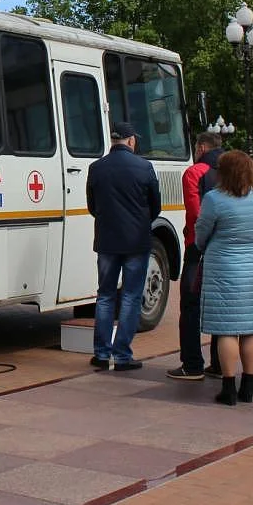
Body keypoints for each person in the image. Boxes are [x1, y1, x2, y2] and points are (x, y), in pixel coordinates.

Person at [195, 149, 253, 404]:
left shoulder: (214, 198)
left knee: (226, 329)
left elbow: (202, 233)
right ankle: (248, 384)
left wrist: (204, 245)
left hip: (223, 269)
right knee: (251, 328)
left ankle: (228, 387)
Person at [86, 120, 162, 371]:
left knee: (105, 295)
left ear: (113, 140)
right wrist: (140, 222)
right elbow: (156, 206)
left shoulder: (96, 168)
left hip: (107, 241)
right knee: (130, 296)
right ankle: (122, 355)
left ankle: (100, 353)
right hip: (136, 242)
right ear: (131, 141)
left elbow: (92, 207)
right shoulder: (144, 167)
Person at [167, 131, 224, 381]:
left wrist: (200, 242)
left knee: (190, 304)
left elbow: (196, 211)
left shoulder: (195, 172)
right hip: (226, 247)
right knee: (222, 306)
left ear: (201, 147)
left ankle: (192, 364)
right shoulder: (232, 169)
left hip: (198, 247)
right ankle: (222, 362)